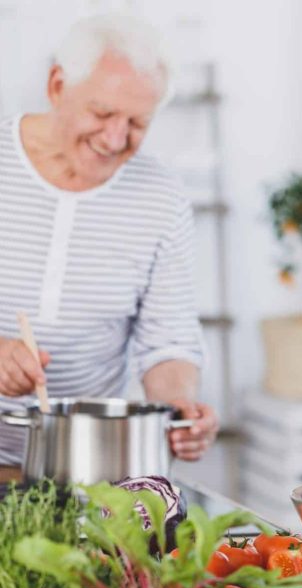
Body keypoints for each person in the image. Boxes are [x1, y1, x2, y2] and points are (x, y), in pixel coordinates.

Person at [0, 14, 218, 465]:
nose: (116, 137)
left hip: (84, 467)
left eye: (138, 122)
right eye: (101, 113)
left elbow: (168, 341)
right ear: (58, 85)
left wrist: (179, 410)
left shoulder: (161, 198)